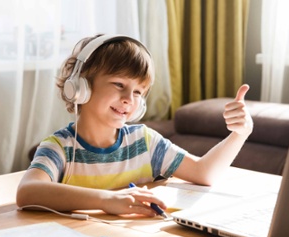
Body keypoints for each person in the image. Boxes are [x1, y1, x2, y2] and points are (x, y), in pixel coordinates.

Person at [16, 34, 253, 218]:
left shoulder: (144, 141)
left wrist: (240, 134)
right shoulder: (59, 148)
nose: (130, 98)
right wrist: (107, 200)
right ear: (80, 86)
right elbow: (27, 192)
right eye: (119, 84)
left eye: (138, 92)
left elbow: (204, 172)